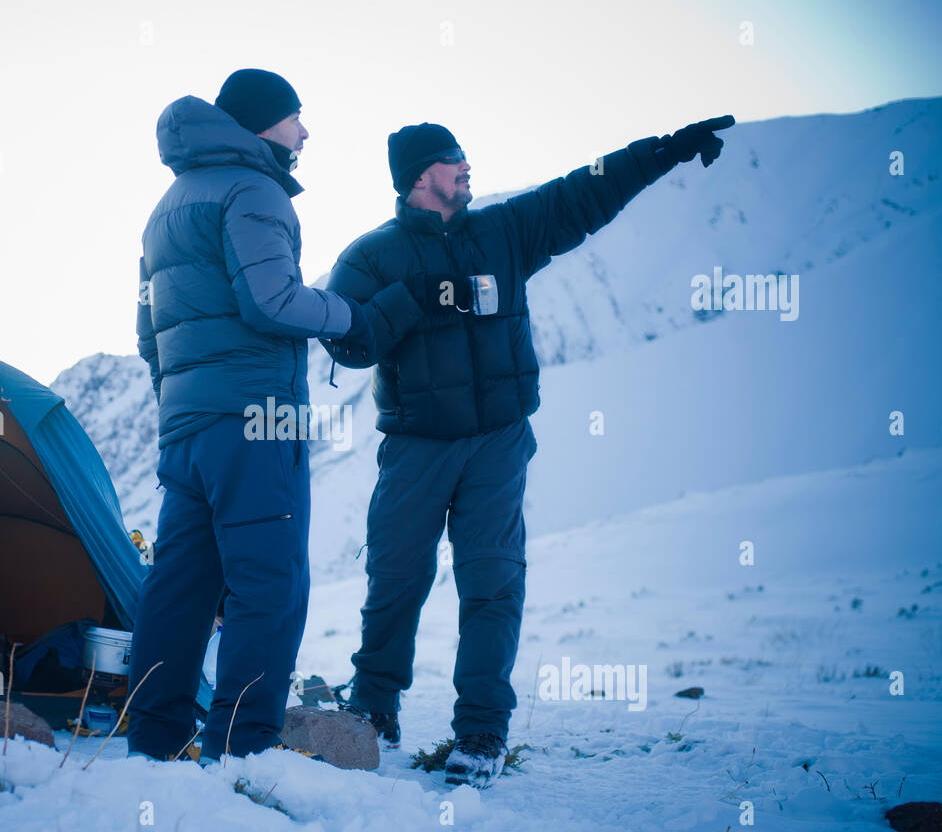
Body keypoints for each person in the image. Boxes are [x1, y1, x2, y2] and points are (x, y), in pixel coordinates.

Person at [323, 114, 736, 787]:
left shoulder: (504, 230)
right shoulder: (371, 256)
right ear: (420, 175)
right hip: (416, 446)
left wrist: (665, 150)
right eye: (454, 157)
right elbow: (348, 341)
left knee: (492, 579)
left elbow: (586, 192)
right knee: (396, 577)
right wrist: (414, 297)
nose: (467, 165)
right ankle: (373, 710)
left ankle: (481, 730)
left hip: (498, 439)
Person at [127, 70, 424, 764]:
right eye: (296, 117)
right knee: (270, 583)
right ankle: (242, 748)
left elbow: (148, 334)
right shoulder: (253, 188)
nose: (305, 131)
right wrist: (354, 315)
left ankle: (153, 738)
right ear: (263, 124)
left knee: (182, 586)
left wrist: (186, 400)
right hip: (257, 420)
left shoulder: (166, 206)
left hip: (188, 424)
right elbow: (273, 300)